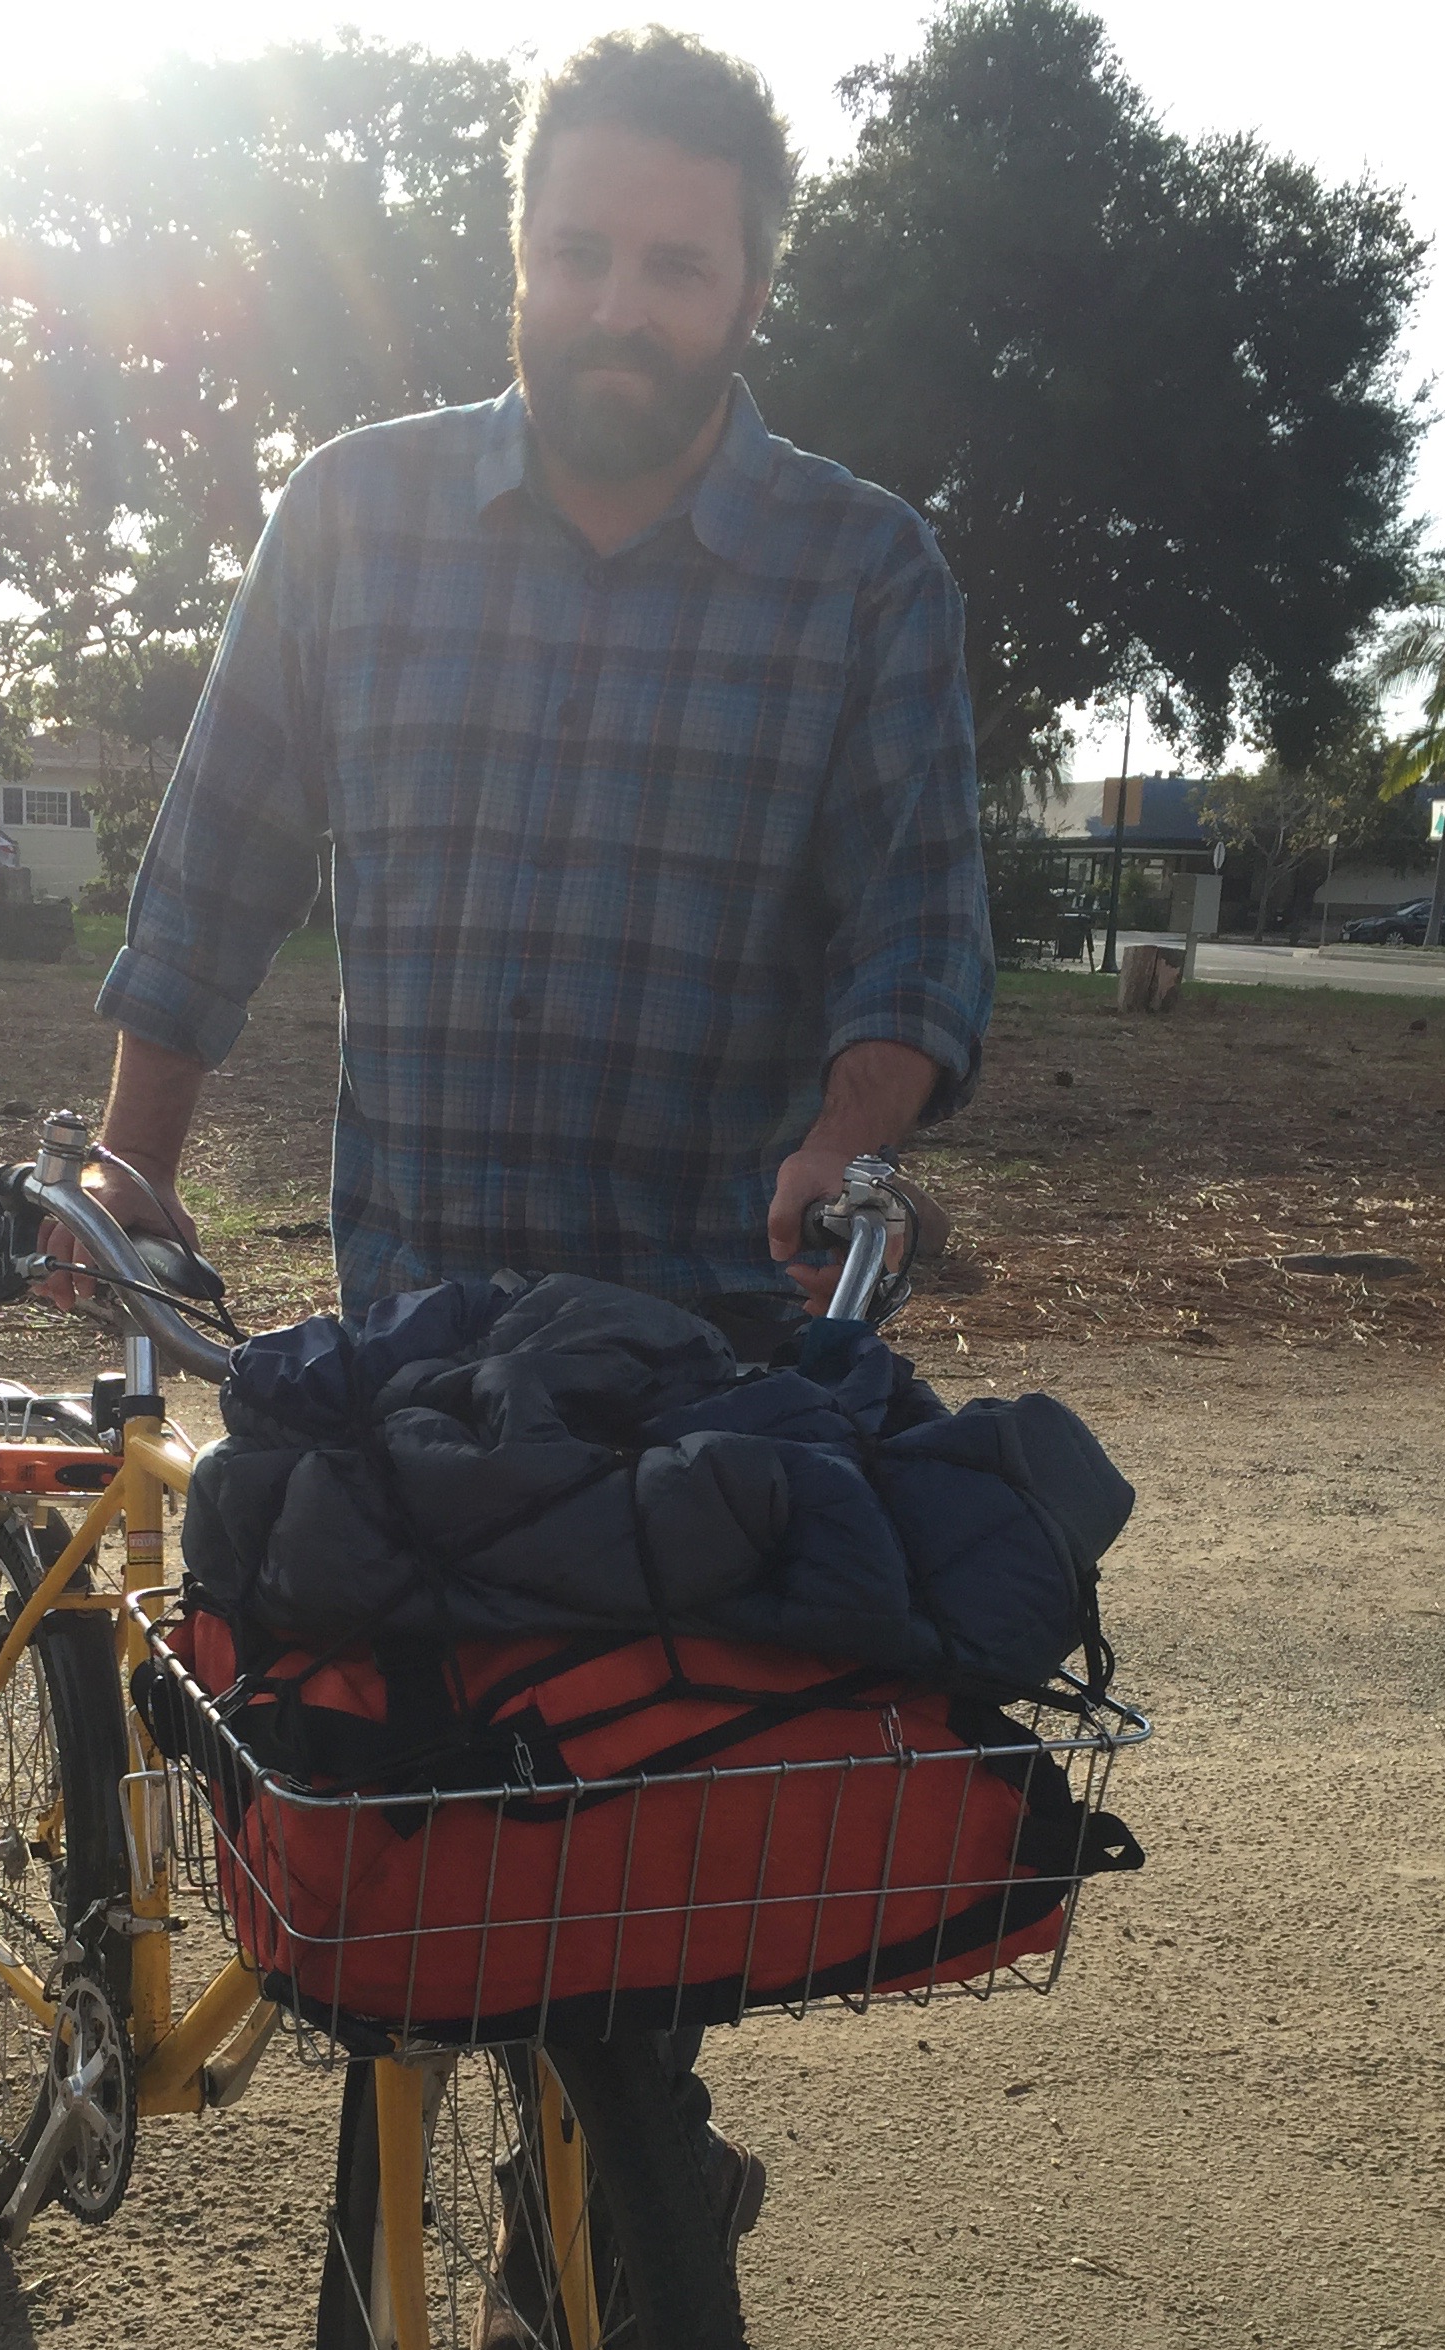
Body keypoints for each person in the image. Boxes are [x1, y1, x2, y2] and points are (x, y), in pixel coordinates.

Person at [57, 25, 996, 2234]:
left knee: (650, 1794)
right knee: (439, 1786)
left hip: (699, 1332)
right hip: (425, 1315)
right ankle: (608, 2205)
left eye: (675, 264)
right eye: (578, 251)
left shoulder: (866, 577)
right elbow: (214, 879)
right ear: (517, 259)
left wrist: (851, 1136)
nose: (619, 304)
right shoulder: (356, 520)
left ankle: (599, 2213)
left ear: (749, 287)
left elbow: (919, 933)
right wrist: (137, 1161)